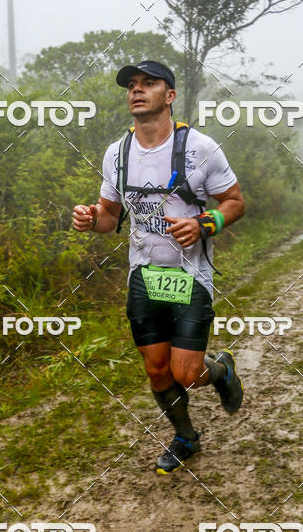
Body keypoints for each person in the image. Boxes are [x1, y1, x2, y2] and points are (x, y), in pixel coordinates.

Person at [72, 60, 246, 474]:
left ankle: (220, 370)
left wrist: (204, 223)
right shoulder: (118, 153)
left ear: (169, 96)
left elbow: (235, 202)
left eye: (148, 83)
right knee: (156, 371)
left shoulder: (201, 148)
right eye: (131, 85)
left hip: (190, 276)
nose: (136, 90)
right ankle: (185, 437)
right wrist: (91, 219)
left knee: (185, 373)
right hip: (143, 276)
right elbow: (111, 217)